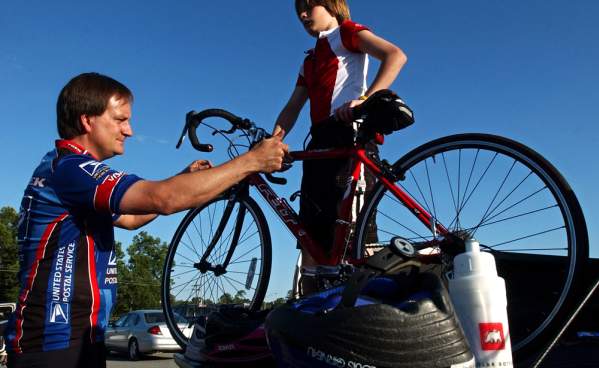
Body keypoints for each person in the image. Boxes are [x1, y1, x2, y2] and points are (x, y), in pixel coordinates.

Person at [4, 72, 288, 368]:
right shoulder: (72, 169)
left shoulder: (62, 169)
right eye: (120, 119)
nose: (129, 130)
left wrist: (181, 179)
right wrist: (251, 161)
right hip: (54, 339)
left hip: (75, 335)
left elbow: (129, 218)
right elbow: (162, 199)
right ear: (88, 121)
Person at [273, 0, 407, 293]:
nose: (303, 15)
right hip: (319, 142)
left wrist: (367, 99)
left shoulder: (346, 32)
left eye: (309, 7)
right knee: (310, 238)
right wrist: (273, 142)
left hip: (349, 132)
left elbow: (395, 55)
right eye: (299, 12)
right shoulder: (308, 60)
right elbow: (293, 106)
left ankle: (369, 308)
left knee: (355, 235)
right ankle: (311, 316)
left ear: (333, 7)